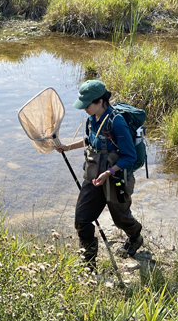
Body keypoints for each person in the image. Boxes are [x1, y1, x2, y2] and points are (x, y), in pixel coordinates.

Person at [54, 80, 144, 271]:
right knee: (82, 219)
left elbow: (130, 157)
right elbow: (89, 141)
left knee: (120, 219)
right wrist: (67, 147)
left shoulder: (117, 122)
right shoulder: (91, 119)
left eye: (87, 105)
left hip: (116, 178)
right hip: (94, 176)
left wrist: (109, 172)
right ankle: (89, 264)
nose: (84, 108)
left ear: (101, 101)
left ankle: (135, 236)